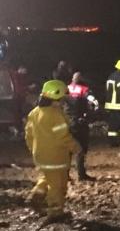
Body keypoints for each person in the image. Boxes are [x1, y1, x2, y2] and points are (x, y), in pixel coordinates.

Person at [24, 80, 81, 221]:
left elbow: (28, 135)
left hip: (40, 155)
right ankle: (56, 213)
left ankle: (35, 196)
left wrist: (34, 149)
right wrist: (76, 147)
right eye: (62, 98)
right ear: (57, 98)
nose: (63, 101)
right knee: (58, 185)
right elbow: (63, 136)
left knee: (47, 177)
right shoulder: (56, 115)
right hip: (56, 157)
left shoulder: (34, 113)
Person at [66, 71, 98, 180]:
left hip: (67, 122)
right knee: (81, 148)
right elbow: (93, 100)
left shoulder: (66, 89)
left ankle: (65, 175)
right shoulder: (84, 89)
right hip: (80, 122)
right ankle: (81, 174)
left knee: (68, 150)